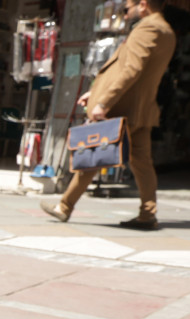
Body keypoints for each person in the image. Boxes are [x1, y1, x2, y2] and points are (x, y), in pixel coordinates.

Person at [41, 0, 175, 230]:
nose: (126, 10)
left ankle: (65, 206)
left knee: (95, 152)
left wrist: (103, 102)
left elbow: (131, 69)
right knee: (142, 163)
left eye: (128, 6)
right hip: (141, 109)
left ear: (143, 5)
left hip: (123, 107)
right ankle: (147, 213)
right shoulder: (168, 31)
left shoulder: (146, 28)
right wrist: (95, 91)